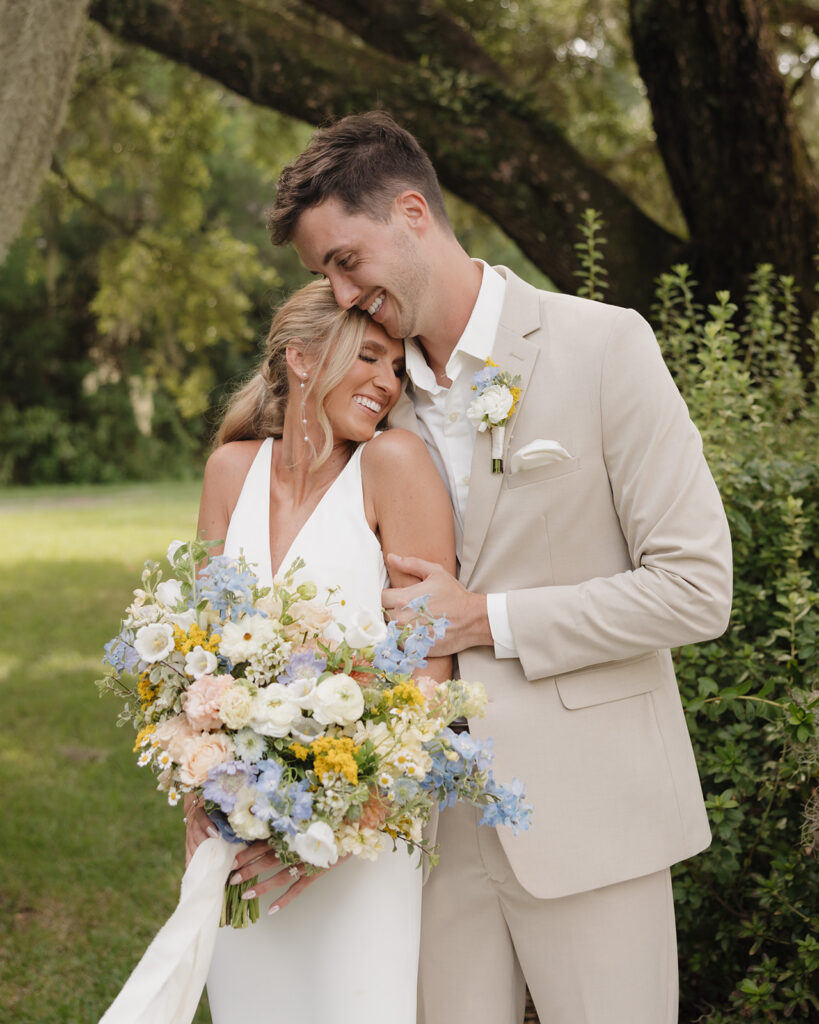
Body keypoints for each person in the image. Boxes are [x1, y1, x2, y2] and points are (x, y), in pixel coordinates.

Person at [269, 111, 733, 1024]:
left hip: (591, 818)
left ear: (411, 213)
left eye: (345, 260)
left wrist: (483, 618)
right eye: (322, 272)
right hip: (423, 838)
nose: (341, 292)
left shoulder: (603, 345)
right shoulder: (371, 389)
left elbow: (694, 588)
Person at [185, 278, 456, 1023]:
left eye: (397, 367)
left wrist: (343, 826)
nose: (386, 382)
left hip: (365, 836)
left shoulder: (392, 465)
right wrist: (197, 800)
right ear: (300, 359)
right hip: (238, 828)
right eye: (368, 356)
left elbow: (435, 672)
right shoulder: (229, 472)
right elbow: (197, 660)